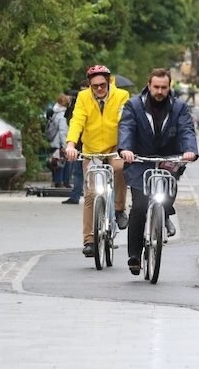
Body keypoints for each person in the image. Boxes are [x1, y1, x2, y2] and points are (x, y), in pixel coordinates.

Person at [118, 68, 198, 275]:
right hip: (139, 160)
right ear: (149, 85)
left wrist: (189, 151)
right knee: (139, 207)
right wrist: (126, 149)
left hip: (167, 160)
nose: (160, 91)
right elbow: (126, 127)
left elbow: (186, 129)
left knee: (167, 194)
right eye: (156, 87)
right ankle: (134, 255)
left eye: (164, 87)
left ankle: (165, 213)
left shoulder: (179, 107)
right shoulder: (134, 105)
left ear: (169, 86)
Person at [65, 65, 130, 257]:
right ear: (89, 85)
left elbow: (125, 122)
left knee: (119, 168)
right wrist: (70, 145)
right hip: (91, 150)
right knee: (91, 194)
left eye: (103, 85)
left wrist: (126, 148)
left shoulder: (122, 96)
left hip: (113, 147)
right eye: (95, 86)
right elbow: (77, 121)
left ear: (109, 82)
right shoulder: (83, 97)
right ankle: (89, 240)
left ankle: (119, 209)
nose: (99, 89)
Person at [48, 94, 71, 187]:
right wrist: (65, 145)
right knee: (61, 163)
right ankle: (61, 182)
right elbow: (63, 131)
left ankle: (57, 181)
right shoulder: (63, 115)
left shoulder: (55, 113)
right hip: (60, 143)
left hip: (54, 142)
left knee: (56, 163)